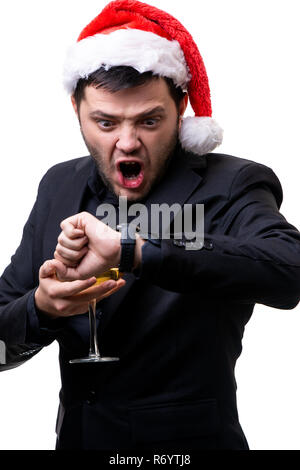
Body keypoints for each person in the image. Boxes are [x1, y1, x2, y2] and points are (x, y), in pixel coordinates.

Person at [0, 0, 299, 450]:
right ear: (75, 109)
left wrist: (133, 249)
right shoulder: (59, 184)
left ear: (181, 107)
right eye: (105, 121)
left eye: (149, 121)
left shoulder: (233, 182)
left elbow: (289, 269)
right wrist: (42, 309)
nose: (126, 142)